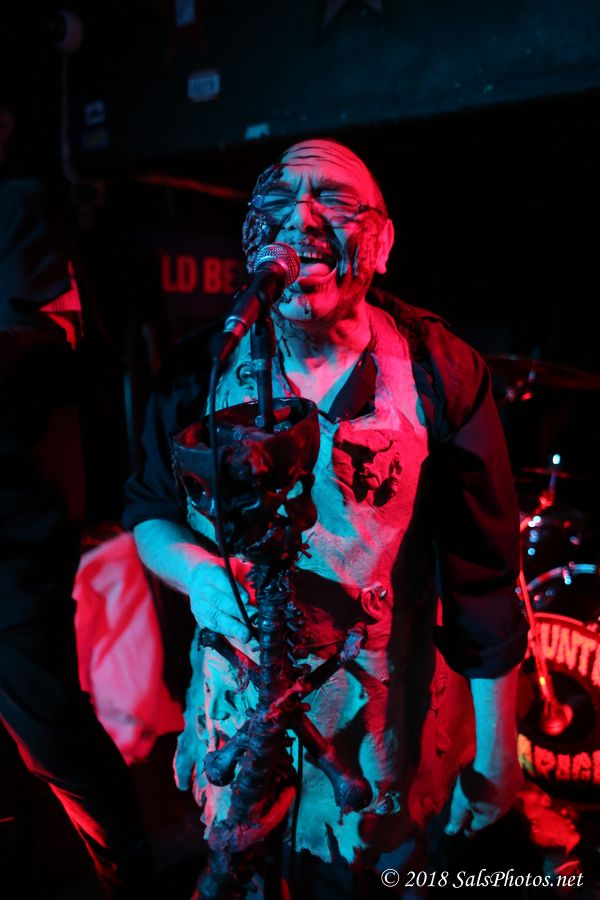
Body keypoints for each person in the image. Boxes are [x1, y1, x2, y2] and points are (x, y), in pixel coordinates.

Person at [124, 138, 529, 896]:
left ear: (383, 242)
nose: (301, 219)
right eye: (278, 203)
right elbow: (148, 512)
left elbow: (483, 583)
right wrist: (200, 577)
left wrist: (498, 751)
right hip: (238, 732)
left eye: (334, 201)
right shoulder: (197, 371)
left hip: (381, 741)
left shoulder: (439, 370)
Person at [0, 104, 153, 898]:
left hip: (14, 528)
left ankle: (131, 870)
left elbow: (53, 342)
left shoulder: (19, 204)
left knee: (47, 727)